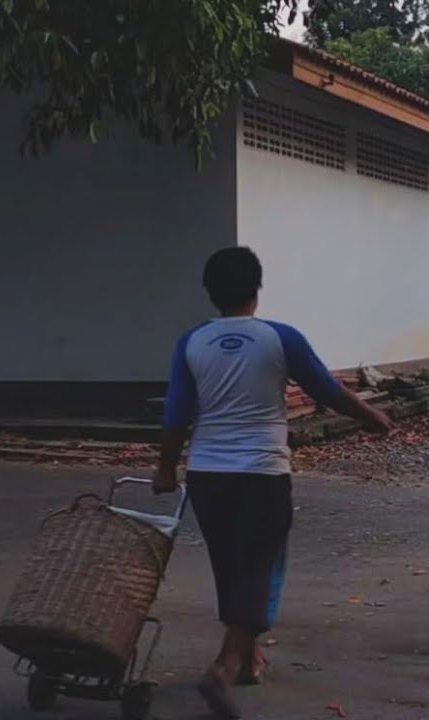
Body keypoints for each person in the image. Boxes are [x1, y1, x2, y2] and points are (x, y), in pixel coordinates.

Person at [154, 247, 393, 718]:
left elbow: (176, 412)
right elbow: (327, 389)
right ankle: (223, 665)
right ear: (256, 289)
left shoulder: (192, 342)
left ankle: (249, 658)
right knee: (261, 567)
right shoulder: (279, 338)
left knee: (231, 565)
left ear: (210, 291)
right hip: (261, 474)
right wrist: (373, 416)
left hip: (208, 474)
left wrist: (165, 468)